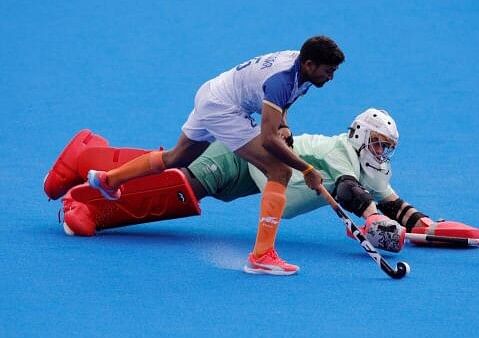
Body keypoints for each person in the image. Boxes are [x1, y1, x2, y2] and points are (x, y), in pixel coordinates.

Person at [45, 108, 479, 265]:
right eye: (376, 142)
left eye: (386, 147)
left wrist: (426, 225)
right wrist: (371, 220)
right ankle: (88, 206)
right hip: (244, 155)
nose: (380, 151)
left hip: (252, 179)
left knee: (179, 178)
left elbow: (390, 202)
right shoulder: (340, 152)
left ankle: (88, 154)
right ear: (358, 135)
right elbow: (351, 192)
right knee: (179, 189)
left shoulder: (374, 172)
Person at [77, 36, 345, 275]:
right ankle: (262, 256)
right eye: (328, 71)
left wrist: (283, 125)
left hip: (212, 92)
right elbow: (268, 139)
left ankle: (108, 179)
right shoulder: (282, 79)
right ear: (309, 64)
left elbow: (282, 105)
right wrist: (307, 170)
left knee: (177, 157)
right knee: (280, 171)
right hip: (223, 107)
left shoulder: (300, 68)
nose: (331, 77)